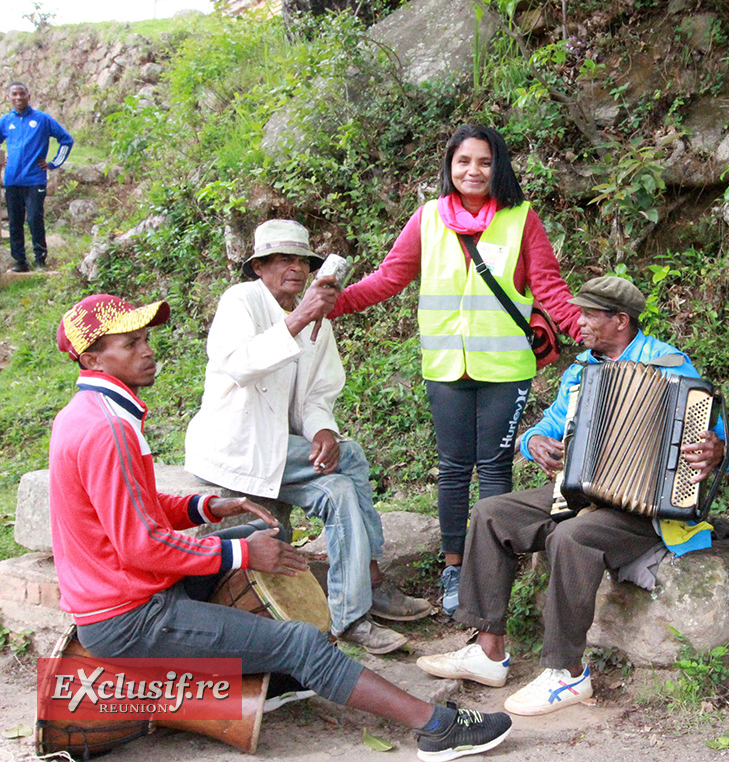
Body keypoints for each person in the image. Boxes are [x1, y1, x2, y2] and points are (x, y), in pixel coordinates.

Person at [49, 293, 512, 761]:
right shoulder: (108, 430)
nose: (147, 350)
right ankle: (434, 727)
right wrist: (243, 555)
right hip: (129, 618)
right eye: (130, 344)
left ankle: (276, 679)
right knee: (299, 634)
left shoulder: (86, 414)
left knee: (245, 540)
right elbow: (140, 544)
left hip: (123, 599)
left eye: (145, 339)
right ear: (92, 359)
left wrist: (208, 506)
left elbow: (134, 507)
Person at [416, 276, 729, 716]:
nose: (579, 323)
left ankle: (566, 673)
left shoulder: (672, 366)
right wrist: (533, 442)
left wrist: (720, 449)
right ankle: (488, 651)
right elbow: (545, 426)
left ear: (620, 321)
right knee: (492, 513)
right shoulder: (580, 371)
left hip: (646, 509)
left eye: (590, 315)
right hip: (580, 491)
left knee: (572, 537)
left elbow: (727, 443)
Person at [330, 125, 582, 617]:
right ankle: (453, 567)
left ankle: (489, 573)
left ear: (499, 167)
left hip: (506, 365)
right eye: (464, 161)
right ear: (449, 166)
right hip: (445, 365)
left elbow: (550, 289)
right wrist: (329, 306)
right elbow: (388, 279)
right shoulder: (427, 219)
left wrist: (591, 333)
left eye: (485, 162)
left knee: (493, 467)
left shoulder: (521, 219)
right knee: (452, 468)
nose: (473, 171)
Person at [185, 220, 433, 655]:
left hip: (284, 452)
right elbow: (240, 364)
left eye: (302, 260)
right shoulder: (240, 301)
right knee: (352, 458)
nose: (295, 268)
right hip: (237, 447)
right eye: (282, 259)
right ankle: (370, 582)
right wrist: (300, 318)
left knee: (339, 486)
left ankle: (350, 616)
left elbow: (318, 392)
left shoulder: (316, 318)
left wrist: (322, 430)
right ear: (259, 267)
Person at [1, 81, 72, 272]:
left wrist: (53, 163)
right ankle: (20, 262)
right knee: (15, 221)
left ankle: (40, 260)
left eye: (21, 94)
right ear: (9, 97)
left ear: (28, 96)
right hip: (12, 180)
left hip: (35, 180)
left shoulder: (42, 119)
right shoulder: (6, 121)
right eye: (14, 94)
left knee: (34, 219)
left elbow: (66, 139)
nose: (18, 97)